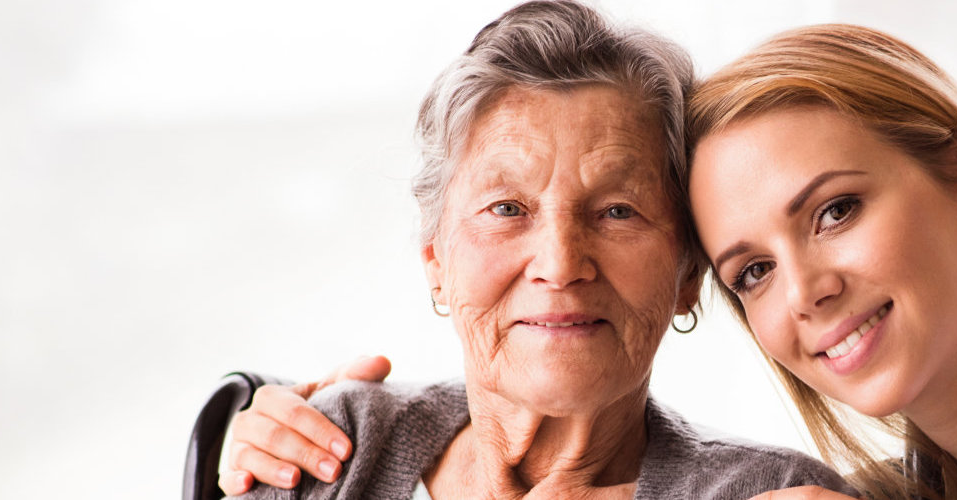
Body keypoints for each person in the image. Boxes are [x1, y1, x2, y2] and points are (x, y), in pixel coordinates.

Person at [230, 22, 957, 500]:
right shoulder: (338, 446)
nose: (804, 289)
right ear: (434, 260)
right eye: (753, 265)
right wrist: (220, 436)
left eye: (836, 209)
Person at [213, 3, 850, 499]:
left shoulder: (775, 494)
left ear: (688, 272)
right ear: (436, 260)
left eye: (617, 212)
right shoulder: (334, 446)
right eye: (507, 210)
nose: (561, 264)